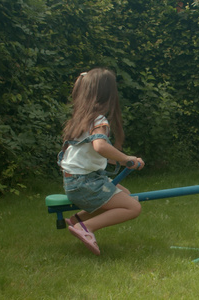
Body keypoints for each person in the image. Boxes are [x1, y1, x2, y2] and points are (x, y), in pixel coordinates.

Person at [59, 68, 145, 255]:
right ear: (108, 95)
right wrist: (126, 158)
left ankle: (77, 220)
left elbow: (90, 151)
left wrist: (118, 161)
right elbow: (99, 146)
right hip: (86, 183)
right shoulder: (99, 121)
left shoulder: (82, 118)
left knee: (125, 194)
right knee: (133, 207)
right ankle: (86, 227)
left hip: (76, 180)